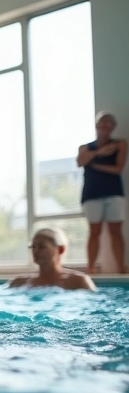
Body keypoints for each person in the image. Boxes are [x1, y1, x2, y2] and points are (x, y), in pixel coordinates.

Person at [78, 112, 127, 274]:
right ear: (96, 125)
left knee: (116, 231)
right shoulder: (85, 147)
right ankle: (91, 268)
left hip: (114, 193)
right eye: (102, 122)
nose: (105, 126)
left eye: (109, 123)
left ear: (113, 127)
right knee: (94, 231)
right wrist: (99, 153)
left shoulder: (119, 144)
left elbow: (118, 169)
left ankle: (121, 268)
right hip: (91, 194)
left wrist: (95, 165)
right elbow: (80, 161)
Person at [8, 228, 96, 291]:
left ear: (60, 249)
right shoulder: (19, 282)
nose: (35, 251)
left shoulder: (78, 281)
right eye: (33, 247)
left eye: (42, 247)